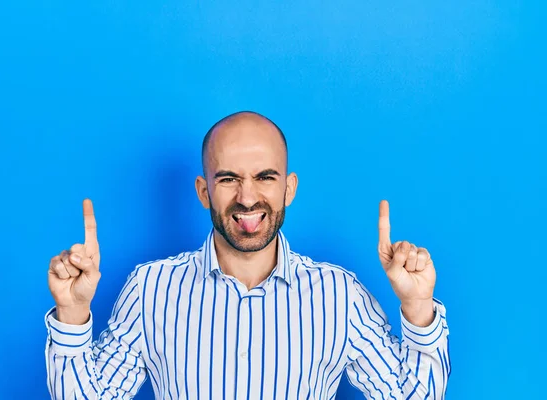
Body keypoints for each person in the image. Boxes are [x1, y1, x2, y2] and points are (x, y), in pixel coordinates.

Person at [45, 111, 451, 400]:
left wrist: (417, 309)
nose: (248, 197)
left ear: (289, 188)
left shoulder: (338, 296)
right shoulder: (151, 289)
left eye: (264, 177)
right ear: (204, 191)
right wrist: (73, 313)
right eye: (229, 179)